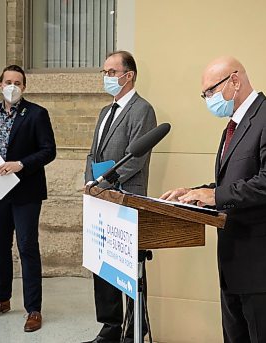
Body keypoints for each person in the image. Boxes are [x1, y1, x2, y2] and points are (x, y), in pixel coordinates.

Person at [160, 56, 266, 343]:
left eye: (210, 91)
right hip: (236, 266)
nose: (208, 99)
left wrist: (216, 195)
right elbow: (234, 184)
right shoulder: (233, 126)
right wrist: (195, 192)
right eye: (204, 95)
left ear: (235, 81)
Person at [0, 65, 56, 332]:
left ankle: (34, 309)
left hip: (26, 192)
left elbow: (48, 151)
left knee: (27, 246)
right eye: (8, 81)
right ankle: (2, 299)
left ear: (24, 87)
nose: (13, 86)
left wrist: (21, 164)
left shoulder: (37, 114)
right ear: (0, 85)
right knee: (0, 247)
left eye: (18, 82)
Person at [83, 50, 157, 343]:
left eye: (112, 72)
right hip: (101, 199)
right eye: (104, 73)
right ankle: (110, 327)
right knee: (103, 266)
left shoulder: (142, 110)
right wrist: (90, 183)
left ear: (129, 75)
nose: (107, 78)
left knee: (128, 268)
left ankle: (134, 330)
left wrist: (104, 184)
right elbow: (93, 153)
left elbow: (135, 159)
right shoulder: (105, 111)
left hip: (127, 198)